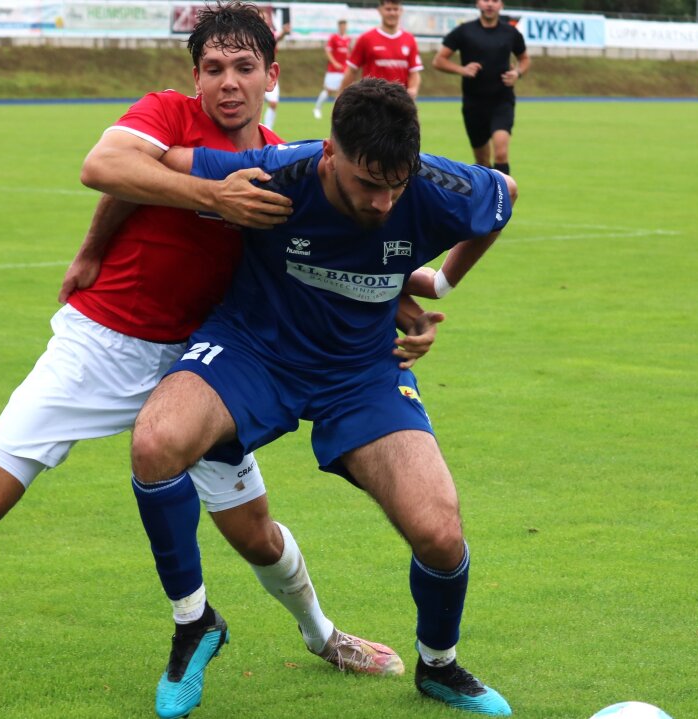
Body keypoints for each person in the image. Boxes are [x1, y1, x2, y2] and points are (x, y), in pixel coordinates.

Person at [0, 4, 406, 716]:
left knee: (254, 531)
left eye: (245, 67)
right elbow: (108, 167)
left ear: (273, 75)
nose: (228, 82)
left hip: (201, 365)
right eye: (213, 68)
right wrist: (136, 228)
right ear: (195, 76)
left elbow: (334, 250)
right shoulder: (168, 116)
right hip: (102, 340)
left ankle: (323, 633)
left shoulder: (283, 162)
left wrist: (401, 303)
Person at [123, 78, 517, 716]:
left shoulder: (435, 186)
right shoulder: (278, 172)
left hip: (363, 370)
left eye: (397, 184)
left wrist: (438, 284)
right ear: (330, 154)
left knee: (440, 533)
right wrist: (209, 196)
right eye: (369, 184)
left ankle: (439, 666)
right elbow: (154, 161)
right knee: (156, 441)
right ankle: (194, 622)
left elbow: (505, 196)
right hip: (255, 351)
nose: (385, 202)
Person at [432, 0, 530, 176]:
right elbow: (438, 61)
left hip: (502, 101)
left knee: (501, 153)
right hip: (474, 104)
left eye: (494, 1)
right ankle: (486, 200)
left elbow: (524, 59)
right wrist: (462, 69)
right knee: (482, 162)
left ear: (501, 5)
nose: (490, 4)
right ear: (478, 3)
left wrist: (518, 73)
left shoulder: (510, 32)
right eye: (485, 0)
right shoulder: (464, 31)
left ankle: (504, 199)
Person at [339, 0, 422, 99]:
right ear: (380, 10)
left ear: (401, 11)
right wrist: (341, 97)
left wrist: (413, 89)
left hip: (399, 102)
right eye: (388, 9)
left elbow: (414, 72)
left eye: (395, 9)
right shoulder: (366, 38)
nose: (392, 13)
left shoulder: (410, 39)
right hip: (371, 100)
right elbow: (352, 70)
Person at [312, 18, 351, 120]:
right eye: (342, 26)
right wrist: (335, 63)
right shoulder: (334, 38)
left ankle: (336, 114)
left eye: (345, 26)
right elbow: (328, 51)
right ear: (339, 27)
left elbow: (348, 53)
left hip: (343, 70)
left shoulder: (348, 39)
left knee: (341, 92)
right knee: (328, 90)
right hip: (333, 70)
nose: (343, 28)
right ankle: (317, 108)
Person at [262, 20, 290, 129]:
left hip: (269, 73)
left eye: (266, 18)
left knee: (273, 104)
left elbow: (276, 38)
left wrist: (283, 32)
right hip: (256, 72)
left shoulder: (270, 34)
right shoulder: (253, 35)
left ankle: (268, 130)